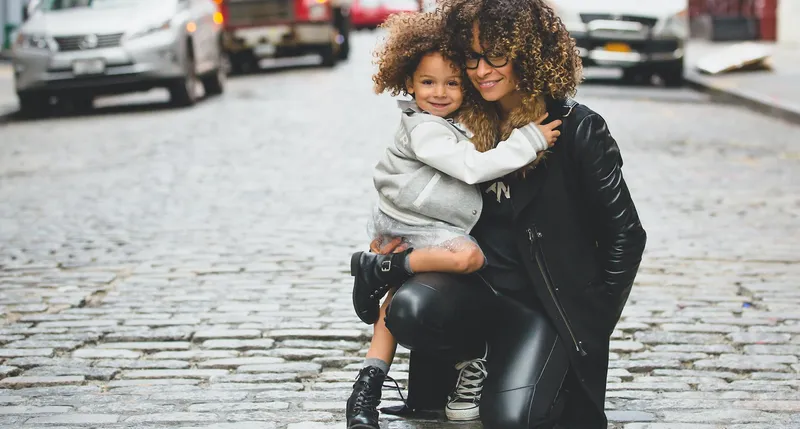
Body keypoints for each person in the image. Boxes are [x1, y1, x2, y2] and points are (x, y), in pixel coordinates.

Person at [374, 1, 648, 428]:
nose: (482, 70)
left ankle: (533, 370)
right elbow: (414, 193)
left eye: (497, 55)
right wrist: (395, 245)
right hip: (474, 293)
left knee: (512, 420)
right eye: (472, 57)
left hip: (543, 307)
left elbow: (625, 236)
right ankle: (474, 363)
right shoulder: (457, 121)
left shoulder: (577, 129)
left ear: (528, 52)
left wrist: (588, 326)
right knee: (409, 309)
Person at [346, 11, 562, 429]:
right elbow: (471, 167)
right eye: (428, 82)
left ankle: (365, 390)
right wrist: (530, 140)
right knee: (468, 257)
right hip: (417, 224)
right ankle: (386, 269)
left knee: (394, 303)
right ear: (409, 83)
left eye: (452, 83)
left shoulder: (450, 122)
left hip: (412, 222)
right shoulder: (425, 128)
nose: (440, 93)